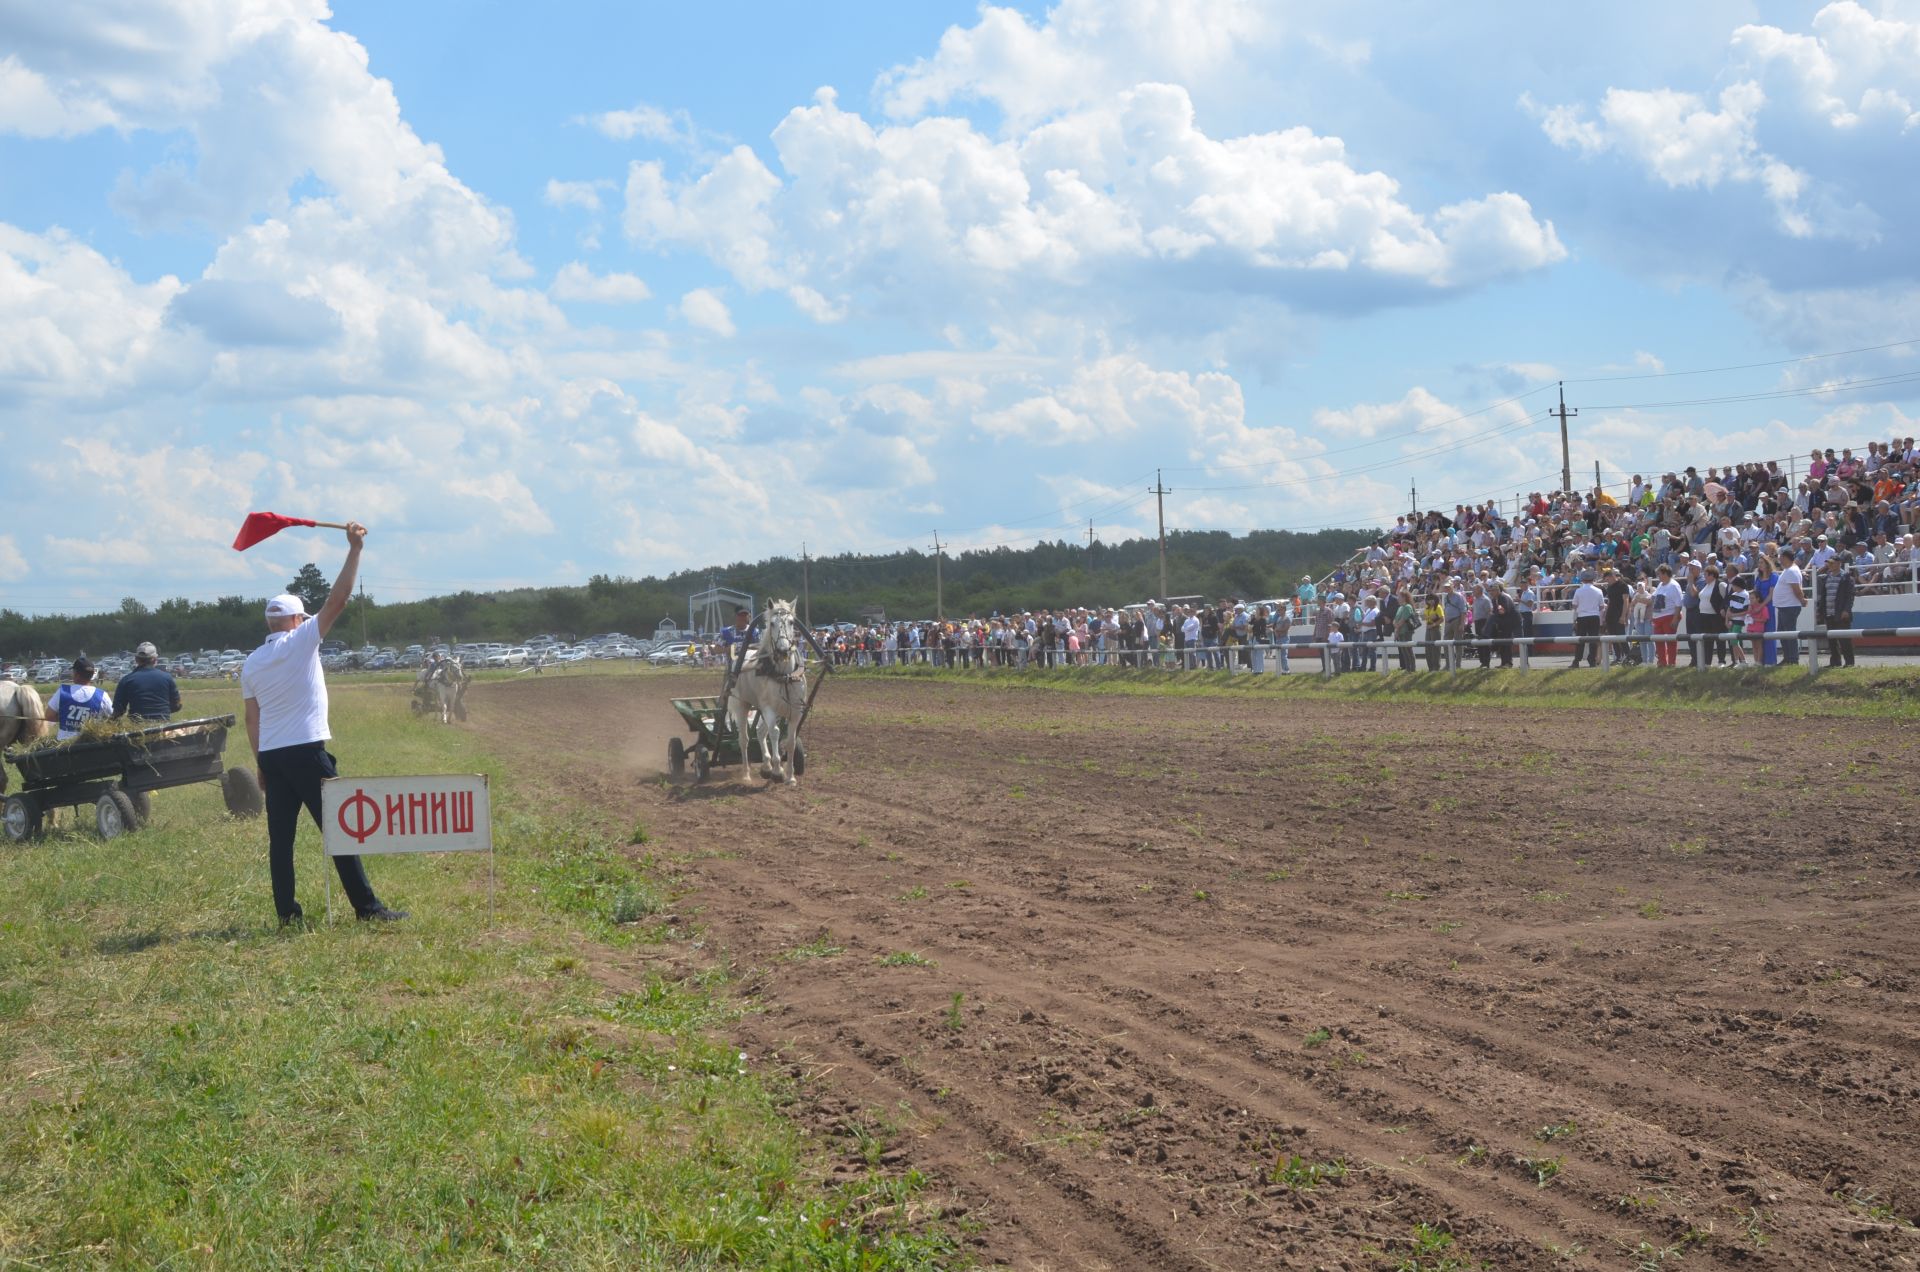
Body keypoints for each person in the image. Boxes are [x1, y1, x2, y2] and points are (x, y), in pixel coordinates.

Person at [241, 523, 406, 927]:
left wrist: (260, 762)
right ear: (298, 619)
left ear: (269, 623)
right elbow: (340, 599)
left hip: (274, 757)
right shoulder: (302, 640)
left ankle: (287, 914)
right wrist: (354, 550)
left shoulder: (251, 662)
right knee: (340, 830)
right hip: (306, 752)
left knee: (280, 842)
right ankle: (367, 908)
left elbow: (252, 717)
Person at [112, 641, 183, 722]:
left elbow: (118, 712)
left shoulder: (126, 680)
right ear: (155, 659)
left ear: (136, 659)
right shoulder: (167, 678)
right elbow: (177, 706)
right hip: (163, 727)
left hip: (137, 730)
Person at [48, 657, 112, 739]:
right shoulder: (102, 695)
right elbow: (113, 718)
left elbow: (49, 716)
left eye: (73, 672)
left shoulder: (63, 692)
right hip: (92, 745)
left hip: (64, 747)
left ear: (76, 674)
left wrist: (66, 717)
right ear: (92, 675)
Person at [1815, 553, 1856, 667]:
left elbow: (1850, 596)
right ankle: (1835, 662)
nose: (1830, 565)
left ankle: (1849, 662)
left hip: (1841, 613)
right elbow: (1824, 596)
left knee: (1844, 640)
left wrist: (1846, 610)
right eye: (1829, 563)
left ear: (1839, 564)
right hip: (1829, 612)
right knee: (1832, 640)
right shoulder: (1827, 577)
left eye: (1832, 563)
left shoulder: (1846, 577)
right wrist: (1820, 611)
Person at [1569, 572, 1605, 668]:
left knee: (1580, 639)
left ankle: (1577, 660)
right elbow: (1602, 606)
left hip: (1582, 617)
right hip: (1594, 616)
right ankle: (1592, 659)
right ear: (1593, 580)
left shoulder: (1578, 591)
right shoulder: (1598, 591)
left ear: (1583, 580)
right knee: (1593, 639)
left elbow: (1574, 605)